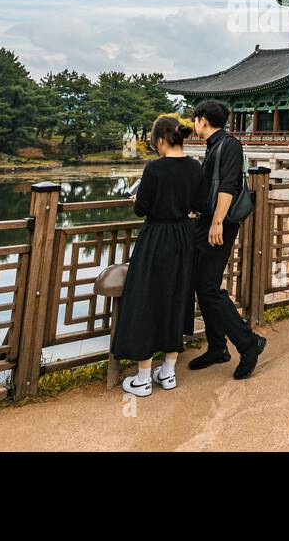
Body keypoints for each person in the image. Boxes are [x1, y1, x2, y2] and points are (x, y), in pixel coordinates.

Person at [112, 115, 201, 397]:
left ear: (161, 140)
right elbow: (197, 205)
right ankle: (168, 372)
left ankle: (143, 378)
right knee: (176, 297)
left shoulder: (154, 169)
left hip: (157, 239)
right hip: (184, 238)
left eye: (155, 142)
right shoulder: (195, 167)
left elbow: (142, 209)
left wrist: (136, 201)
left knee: (147, 300)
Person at [188, 99, 267, 380]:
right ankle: (217, 347)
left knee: (208, 287)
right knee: (201, 285)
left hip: (218, 225)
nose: (193, 123)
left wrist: (218, 222)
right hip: (205, 222)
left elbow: (228, 185)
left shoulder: (229, 145)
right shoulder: (212, 147)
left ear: (203, 120)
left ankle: (248, 343)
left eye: (195, 119)